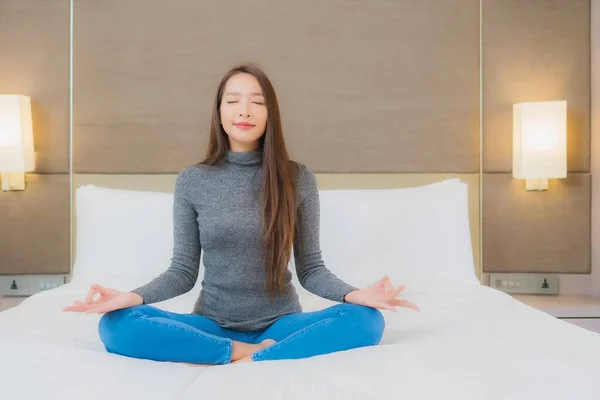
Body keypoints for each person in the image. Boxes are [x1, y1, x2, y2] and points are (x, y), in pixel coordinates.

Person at [62, 63, 419, 365]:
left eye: (256, 102)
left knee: (367, 322)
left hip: (281, 323)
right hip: (212, 323)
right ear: (219, 112)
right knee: (116, 325)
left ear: (270, 114)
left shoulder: (298, 178)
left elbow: (312, 269)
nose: (244, 111)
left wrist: (358, 295)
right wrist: (130, 297)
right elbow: (182, 272)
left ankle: (245, 353)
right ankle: (243, 351)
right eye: (233, 101)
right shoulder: (193, 180)